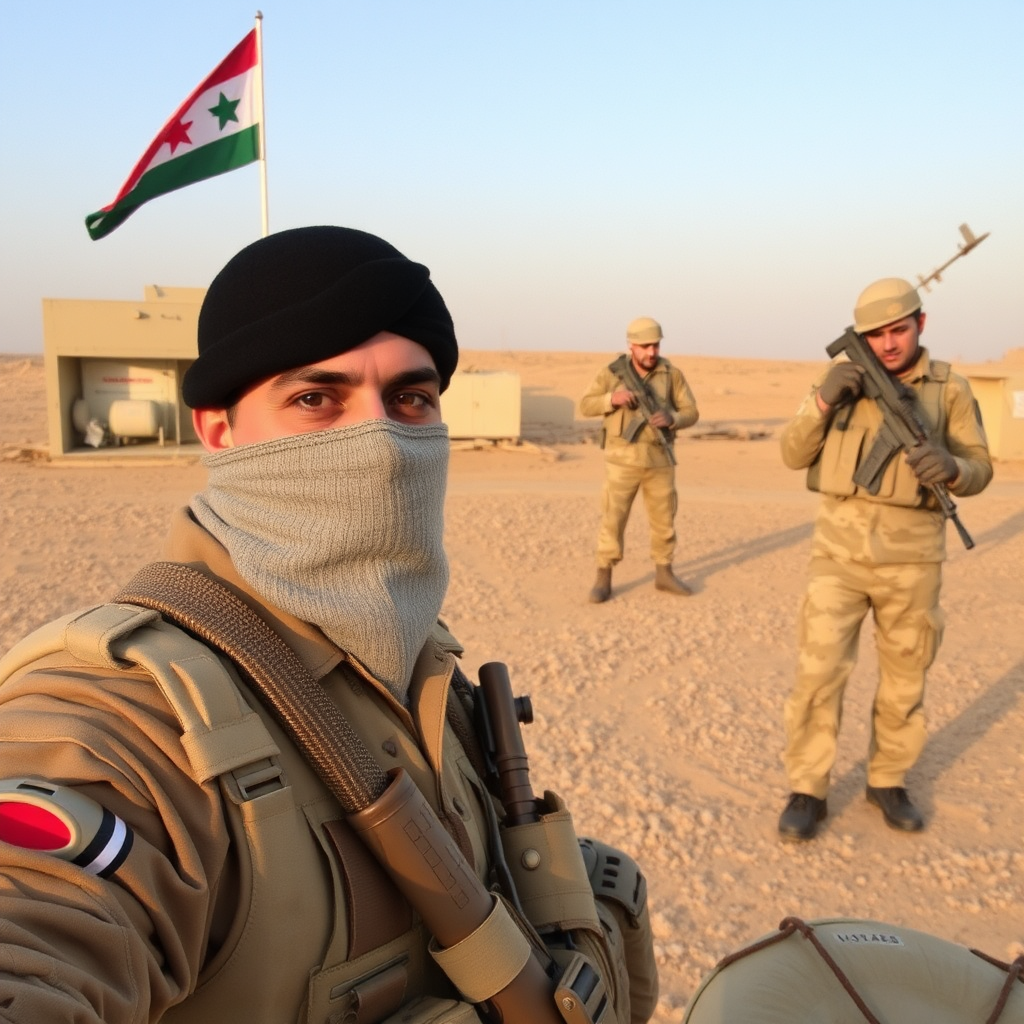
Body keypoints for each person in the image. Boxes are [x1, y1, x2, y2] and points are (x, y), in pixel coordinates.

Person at [0, 227, 657, 1023]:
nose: (378, 440)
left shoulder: (418, 657)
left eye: (411, 398)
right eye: (317, 399)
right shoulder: (124, 713)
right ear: (217, 427)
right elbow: (36, 928)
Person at [777, 277, 992, 841]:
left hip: (913, 558)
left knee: (905, 676)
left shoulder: (949, 389)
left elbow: (980, 467)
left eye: (899, 329)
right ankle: (807, 789)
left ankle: (888, 779)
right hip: (838, 554)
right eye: (876, 335)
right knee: (819, 674)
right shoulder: (837, 382)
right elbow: (791, 452)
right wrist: (823, 401)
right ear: (860, 337)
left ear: (921, 324)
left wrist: (951, 467)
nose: (889, 343)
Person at [580, 317, 699, 603]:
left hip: (660, 461)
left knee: (664, 520)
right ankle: (603, 577)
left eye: (655, 346)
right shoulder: (612, 373)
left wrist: (674, 418)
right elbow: (586, 405)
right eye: (645, 346)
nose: (651, 352)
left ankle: (664, 573)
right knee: (613, 519)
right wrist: (613, 398)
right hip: (622, 461)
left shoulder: (671, 374)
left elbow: (691, 411)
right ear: (631, 346)